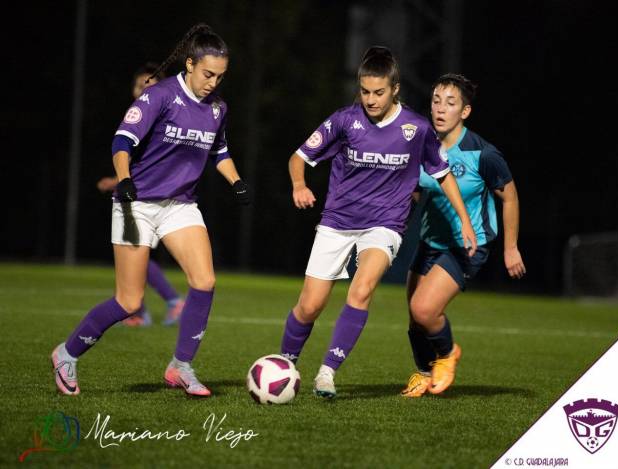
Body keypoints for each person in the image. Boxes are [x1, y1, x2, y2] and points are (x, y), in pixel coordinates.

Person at [51, 23, 250, 397]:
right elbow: (122, 140)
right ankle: (66, 353)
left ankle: (181, 366)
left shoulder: (218, 108)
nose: (213, 82)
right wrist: (124, 178)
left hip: (179, 205)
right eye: (208, 73)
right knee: (129, 302)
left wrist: (236, 181)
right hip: (136, 205)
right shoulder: (159, 95)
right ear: (190, 64)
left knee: (205, 281)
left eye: (220, 76)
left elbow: (219, 151)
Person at [279, 47, 477, 399]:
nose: (370, 100)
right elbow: (299, 157)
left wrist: (465, 221)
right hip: (338, 220)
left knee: (362, 288)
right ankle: (284, 363)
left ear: (395, 89)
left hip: (384, 224)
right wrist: (299, 184)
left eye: (379, 92)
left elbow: (444, 175)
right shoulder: (343, 121)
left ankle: (327, 372)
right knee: (309, 305)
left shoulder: (417, 129)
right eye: (365, 92)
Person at [401, 73, 526, 398]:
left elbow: (510, 197)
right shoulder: (422, 145)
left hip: (468, 245)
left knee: (425, 310)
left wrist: (510, 248)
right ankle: (424, 374)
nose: (440, 109)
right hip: (429, 241)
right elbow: (416, 191)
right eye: (436, 101)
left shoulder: (481, 154)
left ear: (465, 112)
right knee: (415, 317)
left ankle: (447, 355)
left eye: (450, 103)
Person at [97, 63, 185, 327]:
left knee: (135, 252)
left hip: (150, 197)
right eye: (138, 85)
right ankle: (142, 310)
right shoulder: (141, 116)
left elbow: (152, 165)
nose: (142, 90)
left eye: (149, 84)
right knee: (135, 253)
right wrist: (118, 180)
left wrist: (118, 181)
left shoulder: (161, 118)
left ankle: (166, 303)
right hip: (138, 193)